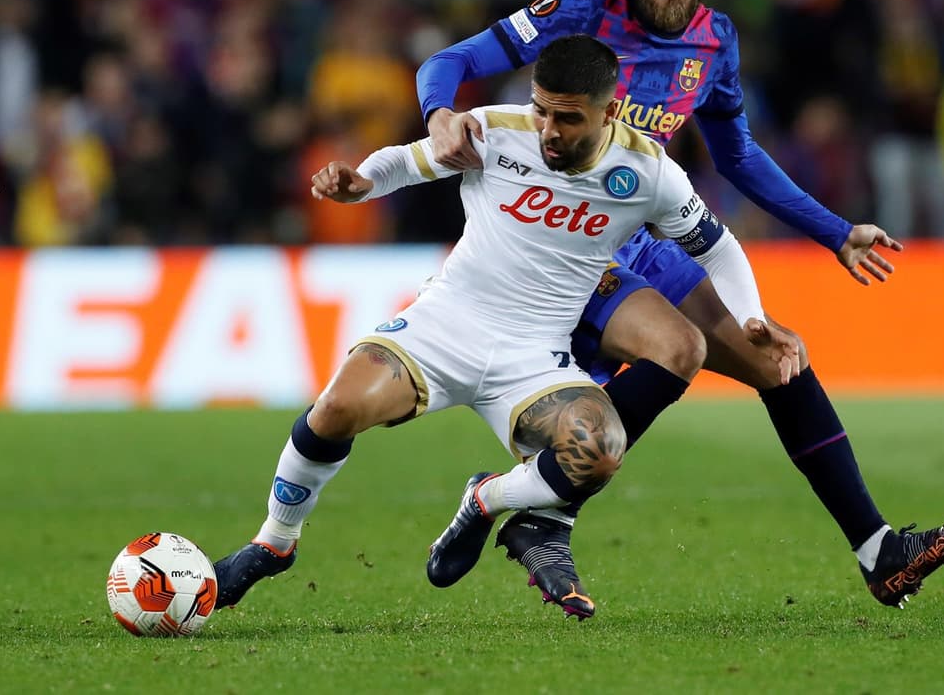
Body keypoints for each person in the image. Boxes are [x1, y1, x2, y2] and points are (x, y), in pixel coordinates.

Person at [418, 0, 944, 611]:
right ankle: (542, 512)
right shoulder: (583, 9)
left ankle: (880, 552)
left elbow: (739, 157)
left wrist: (835, 232)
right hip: (555, 241)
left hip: (637, 241)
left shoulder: (714, 43)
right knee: (673, 349)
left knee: (780, 360)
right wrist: (439, 115)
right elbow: (452, 61)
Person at [212, 34, 798, 618]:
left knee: (600, 451)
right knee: (334, 411)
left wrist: (751, 318)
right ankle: (274, 541)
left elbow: (718, 248)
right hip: (444, 326)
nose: (548, 130)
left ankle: (486, 498)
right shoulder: (496, 128)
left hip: (534, 356)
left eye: (567, 119)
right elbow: (406, 161)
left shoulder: (649, 173)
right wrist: (364, 181)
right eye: (541, 110)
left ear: (609, 112)